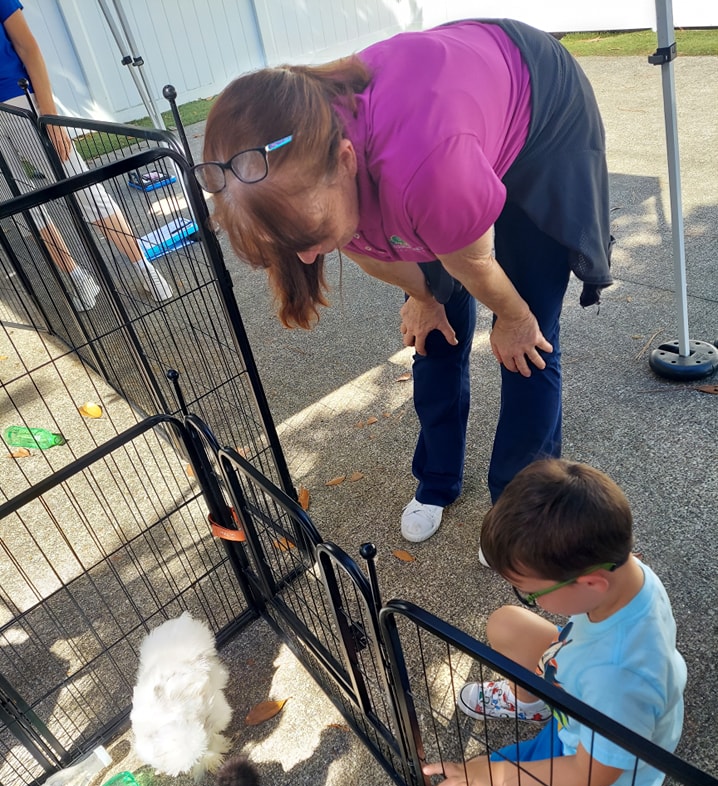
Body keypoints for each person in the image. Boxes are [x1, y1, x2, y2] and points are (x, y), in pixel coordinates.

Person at [197, 19, 614, 543]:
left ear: (347, 161)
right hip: (446, 143)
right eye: (292, 245)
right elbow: (369, 249)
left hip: (538, 116)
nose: (307, 255)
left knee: (527, 345)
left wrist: (514, 316)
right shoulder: (306, 171)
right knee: (433, 334)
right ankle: (437, 480)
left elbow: (474, 262)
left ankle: (520, 509)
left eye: (312, 235)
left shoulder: (428, 171)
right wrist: (423, 296)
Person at [422, 459, 687, 786]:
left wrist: (498, 776)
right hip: (583, 697)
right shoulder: (627, 571)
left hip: (597, 770)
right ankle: (533, 704)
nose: (528, 598)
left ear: (592, 584)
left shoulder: (619, 677)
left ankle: (543, 711)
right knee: (506, 622)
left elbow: (590, 776)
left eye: (532, 594)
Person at [0, 1, 171, 311]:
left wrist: (48, 114)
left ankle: (144, 268)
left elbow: (28, 47)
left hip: (19, 101)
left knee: (87, 190)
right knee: (26, 208)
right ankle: (79, 278)